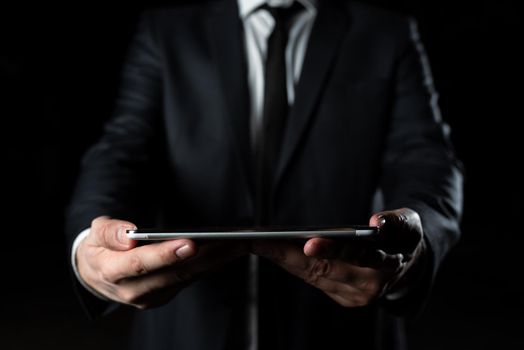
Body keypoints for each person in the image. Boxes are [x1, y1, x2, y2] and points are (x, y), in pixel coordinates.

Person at [66, 0, 463, 349]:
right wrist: (91, 245)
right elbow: (121, 149)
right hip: (188, 324)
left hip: (341, 327)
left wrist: (414, 250)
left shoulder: (386, 34)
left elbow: (426, 158)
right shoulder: (166, 31)